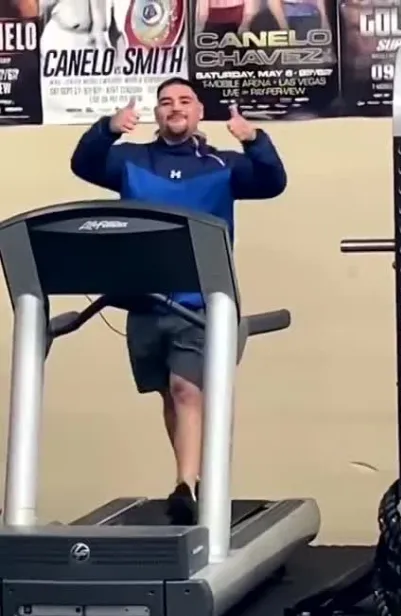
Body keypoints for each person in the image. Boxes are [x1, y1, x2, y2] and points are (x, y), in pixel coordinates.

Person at [70, 77, 287, 525]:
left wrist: (255, 140)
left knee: (188, 389)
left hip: (200, 301)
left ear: (198, 112)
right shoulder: (129, 160)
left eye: (184, 101)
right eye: (165, 102)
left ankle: (185, 484)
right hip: (145, 300)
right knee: (171, 395)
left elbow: (272, 182)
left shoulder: (222, 165)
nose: (175, 108)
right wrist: (108, 128)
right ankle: (195, 476)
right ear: (156, 113)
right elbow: (84, 163)